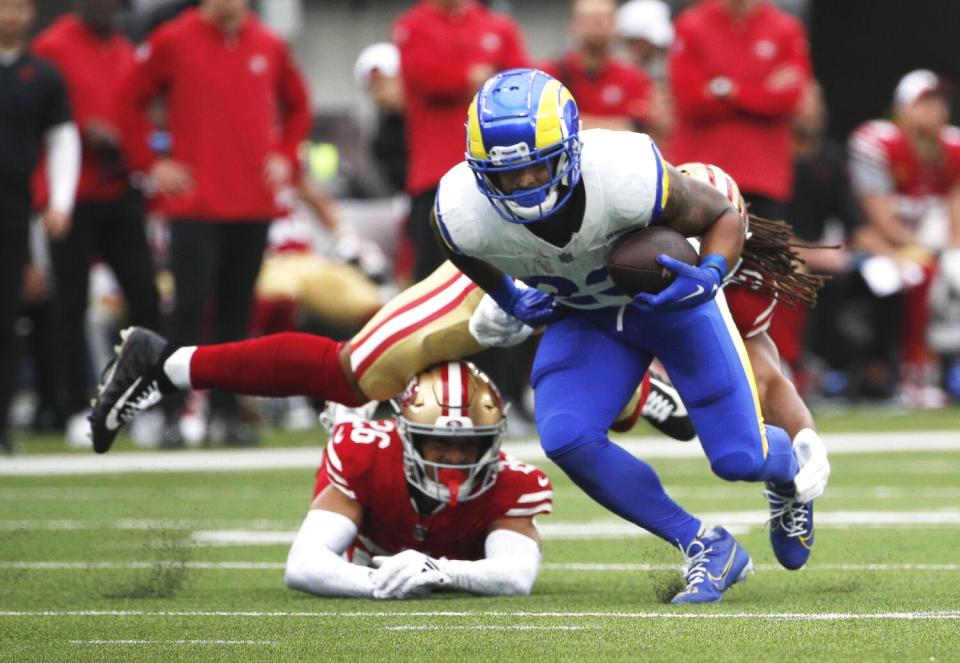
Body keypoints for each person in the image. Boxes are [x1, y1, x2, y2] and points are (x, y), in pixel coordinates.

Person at [431, 68, 829, 603]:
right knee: (568, 438)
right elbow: (461, 249)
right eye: (509, 176)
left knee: (738, 460)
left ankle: (783, 476)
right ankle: (704, 545)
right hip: (586, 316)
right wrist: (509, 297)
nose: (526, 185)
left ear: (569, 149)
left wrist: (707, 277)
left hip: (672, 308)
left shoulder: (624, 170)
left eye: (537, 168)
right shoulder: (461, 208)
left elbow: (723, 217)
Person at [117, 0, 311, 446]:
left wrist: (285, 157)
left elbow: (299, 106)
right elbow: (129, 102)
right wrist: (153, 163)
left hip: (252, 203)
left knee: (236, 316)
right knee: (187, 311)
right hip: (194, 205)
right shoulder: (173, 40)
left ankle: (226, 415)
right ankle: (170, 414)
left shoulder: (269, 43)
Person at [285, 361, 551, 599]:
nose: (455, 458)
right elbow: (302, 565)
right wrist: (377, 582)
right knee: (347, 453)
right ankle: (348, 420)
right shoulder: (367, 455)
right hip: (368, 551)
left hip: (441, 558)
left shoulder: (513, 481)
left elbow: (516, 576)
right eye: (440, 442)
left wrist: (440, 571)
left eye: (469, 444)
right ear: (409, 437)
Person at [32, 0, 161, 447]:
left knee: (146, 296)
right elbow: (40, 116)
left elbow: (141, 113)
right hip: (70, 194)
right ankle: (72, 406)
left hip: (120, 189)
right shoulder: (53, 46)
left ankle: (144, 403)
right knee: (70, 304)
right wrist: (85, 128)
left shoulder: (126, 49)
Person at [392, 0, 529, 282]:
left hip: (496, 171)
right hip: (435, 175)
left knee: (506, 271)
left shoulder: (497, 25)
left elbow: (521, 83)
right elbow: (426, 78)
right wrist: (471, 76)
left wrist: (472, 78)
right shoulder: (412, 26)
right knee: (434, 278)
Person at [847, 69, 960, 408]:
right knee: (916, 276)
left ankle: (943, 369)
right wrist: (927, 252)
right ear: (902, 108)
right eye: (925, 102)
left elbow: (955, 213)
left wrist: (948, 252)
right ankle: (911, 372)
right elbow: (881, 220)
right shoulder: (877, 142)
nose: (935, 110)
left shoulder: (952, 147)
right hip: (876, 245)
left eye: (940, 102)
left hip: (929, 243)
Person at [0, 0, 80, 454]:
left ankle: (2, 425)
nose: (10, 15)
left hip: (13, 212)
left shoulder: (43, 76)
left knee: (7, 322)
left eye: (18, 6)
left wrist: (61, 201)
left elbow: (62, 138)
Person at [667, 0, 811, 221]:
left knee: (758, 253)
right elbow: (690, 101)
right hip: (702, 173)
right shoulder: (692, 24)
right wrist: (762, 90)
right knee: (692, 253)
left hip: (763, 178)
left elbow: (789, 100)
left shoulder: (785, 28)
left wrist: (727, 90)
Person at [540, 0, 653, 133]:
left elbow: (637, 127)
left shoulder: (634, 77)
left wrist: (569, 122)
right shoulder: (549, 75)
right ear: (572, 24)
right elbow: (543, 123)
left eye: (604, 18)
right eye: (588, 18)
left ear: (616, 24)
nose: (597, 24)